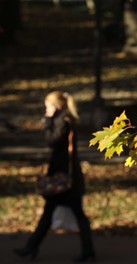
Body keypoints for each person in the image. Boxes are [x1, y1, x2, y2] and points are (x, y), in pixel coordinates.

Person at [13, 91, 95, 262]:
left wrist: (48, 123)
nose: (46, 110)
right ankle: (33, 246)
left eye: (48, 106)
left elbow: (52, 142)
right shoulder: (62, 121)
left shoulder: (63, 123)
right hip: (63, 177)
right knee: (59, 213)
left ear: (58, 106)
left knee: (56, 213)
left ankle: (32, 246)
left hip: (64, 178)